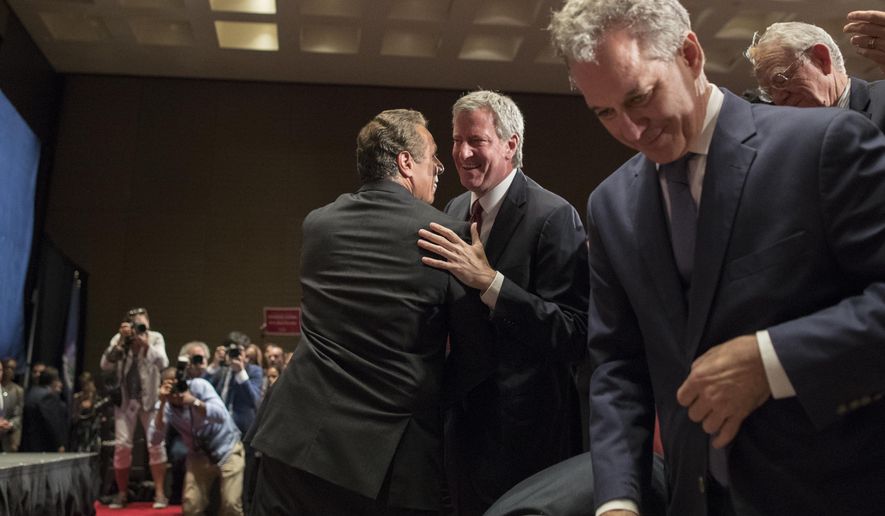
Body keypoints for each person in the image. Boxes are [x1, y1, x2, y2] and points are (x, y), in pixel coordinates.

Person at [548, 1, 885, 515]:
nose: (631, 132)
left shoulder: (823, 144)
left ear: (689, 53)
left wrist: (773, 361)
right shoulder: (610, 205)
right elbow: (617, 365)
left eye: (640, 97)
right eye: (605, 113)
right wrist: (618, 498)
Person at [248, 109, 487, 515]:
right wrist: (423, 394)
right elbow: (475, 355)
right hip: (389, 460)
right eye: (433, 157)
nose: (438, 169)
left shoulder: (318, 225)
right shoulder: (448, 235)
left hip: (299, 440)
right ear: (406, 162)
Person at [416, 90, 589, 514]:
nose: (462, 152)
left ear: (511, 144)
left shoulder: (554, 216)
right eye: (457, 141)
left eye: (477, 140)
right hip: (464, 432)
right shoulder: (455, 209)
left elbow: (575, 333)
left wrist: (492, 284)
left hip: (527, 437)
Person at [745, 21, 885, 130]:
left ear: (821, 59)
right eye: (768, 93)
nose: (778, 98)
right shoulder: (790, 140)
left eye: (780, 80)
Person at [151, 366, 245, 516]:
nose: (175, 391)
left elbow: (221, 415)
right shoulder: (165, 405)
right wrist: (162, 403)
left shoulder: (199, 386)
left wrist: (194, 401)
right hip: (198, 455)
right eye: (170, 386)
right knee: (191, 507)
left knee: (231, 505)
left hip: (227, 448)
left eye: (178, 384)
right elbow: (155, 439)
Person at [100, 314, 169, 509]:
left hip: (149, 399)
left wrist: (146, 345)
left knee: (155, 445)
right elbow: (105, 365)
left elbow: (163, 363)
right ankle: (122, 494)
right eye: (136, 326)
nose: (139, 331)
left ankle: (160, 494)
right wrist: (122, 341)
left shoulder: (156, 338)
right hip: (125, 399)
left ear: (148, 324)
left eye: (142, 326)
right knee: (122, 446)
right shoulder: (120, 338)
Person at [206, 337, 263, 436]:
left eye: (238, 351)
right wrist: (214, 365)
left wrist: (240, 372)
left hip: (242, 430)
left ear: (245, 353)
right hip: (217, 428)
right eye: (231, 351)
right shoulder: (221, 370)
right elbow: (201, 389)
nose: (234, 355)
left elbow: (253, 400)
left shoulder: (254, 371)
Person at [21, 366, 68, 453]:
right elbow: (52, 422)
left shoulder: (32, 392)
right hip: (42, 445)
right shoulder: (47, 396)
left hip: (29, 444)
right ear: (53, 381)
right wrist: (59, 444)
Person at [0, 358, 24, 452]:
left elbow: (17, 415)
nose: (9, 371)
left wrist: (8, 424)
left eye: (0, 370)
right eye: (7, 368)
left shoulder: (6, 392)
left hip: (5, 438)